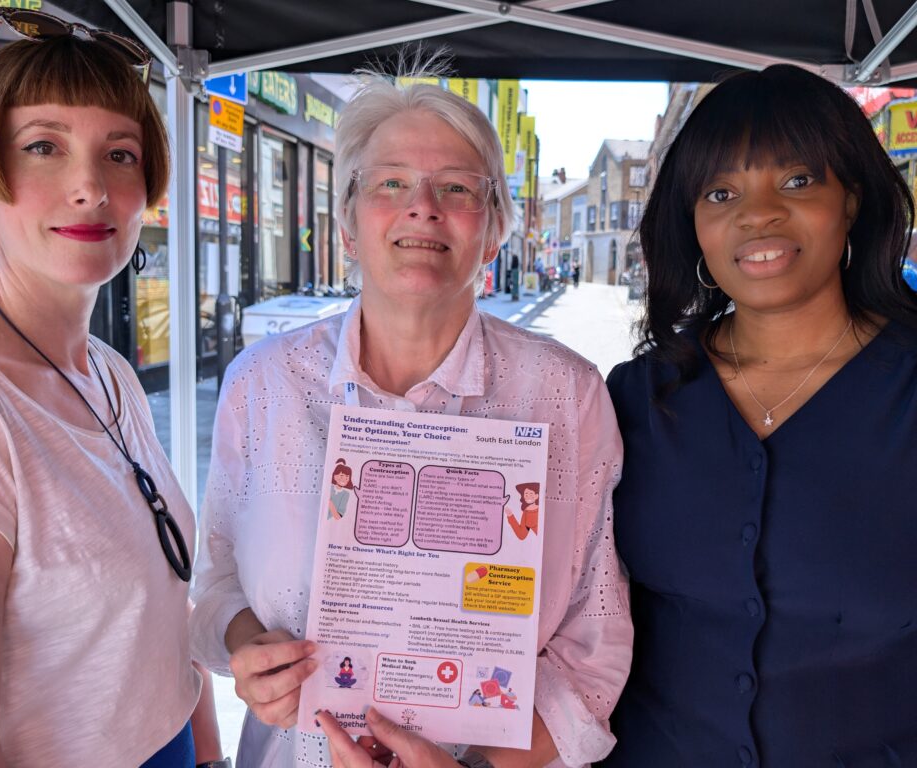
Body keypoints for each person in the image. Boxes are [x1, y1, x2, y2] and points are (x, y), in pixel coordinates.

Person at [190, 70, 632, 768]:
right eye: (389, 182)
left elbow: (594, 651)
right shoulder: (263, 386)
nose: (422, 206)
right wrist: (248, 649)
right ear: (347, 225)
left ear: (493, 234)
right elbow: (213, 582)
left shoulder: (565, 397)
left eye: (457, 188)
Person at [0, 12, 224, 767]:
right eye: (44, 147)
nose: (89, 187)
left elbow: (163, 620)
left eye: (120, 154)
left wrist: (209, 758)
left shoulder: (107, 373)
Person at [603, 64, 917, 767]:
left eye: (798, 181)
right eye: (722, 192)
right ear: (695, 226)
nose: (759, 212)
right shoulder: (638, 401)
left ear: (853, 202)